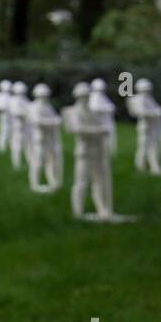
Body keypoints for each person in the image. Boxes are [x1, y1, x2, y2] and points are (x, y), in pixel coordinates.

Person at [62, 82, 113, 220]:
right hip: (84, 152)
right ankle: (78, 212)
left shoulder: (92, 112)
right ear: (78, 97)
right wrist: (99, 131)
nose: (86, 98)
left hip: (98, 150)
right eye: (83, 96)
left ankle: (102, 209)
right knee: (81, 181)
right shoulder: (74, 112)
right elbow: (78, 129)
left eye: (87, 96)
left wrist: (103, 129)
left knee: (99, 181)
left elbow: (102, 125)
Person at [26, 83, 63, 193]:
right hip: (38, 139)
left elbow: (54, 117)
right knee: (37, 161)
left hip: (49, 138)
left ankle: (52, 182)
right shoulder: (33, 107)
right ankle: (34, 184)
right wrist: (54, 122)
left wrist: (56, 120)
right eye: (42, 95)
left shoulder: (48, 107)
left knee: (51, 161)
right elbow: (37, 121)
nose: (44, 97)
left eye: (45, 95)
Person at [127, 78, 161, 176]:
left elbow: (156, 108)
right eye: (145, 89)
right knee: (143, 146)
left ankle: (154, 167)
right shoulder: (138, 99)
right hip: (145, 126)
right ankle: (140, 167)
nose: (147, 91)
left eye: (148, 89)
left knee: (154, 146)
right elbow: (141, 112)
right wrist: (156, 113)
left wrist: (159, 111)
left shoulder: (149, 99)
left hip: (153, 125)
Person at [89, 77, 118, 157]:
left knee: (109, 139)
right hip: (100, 123)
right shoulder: (94, 97)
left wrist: (108, 108)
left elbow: (111, 106)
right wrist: (107, 109)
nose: (100, 91)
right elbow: (95, 109)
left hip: (106, 121)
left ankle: (108, 153)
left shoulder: (102, 97)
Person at [8, 81, 30, 169]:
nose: (21, 94)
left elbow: (30, 109)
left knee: (28, 145)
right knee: (17, 145)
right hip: (17, 127)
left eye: (22, 92)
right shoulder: (12, 101)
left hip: (27, 127)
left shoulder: (26, 100)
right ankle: (16, 163)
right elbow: (16, 112)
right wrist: (27, 113)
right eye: (19, 92)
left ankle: (29, 161)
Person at [0, 79, 13, 153]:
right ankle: (1, 146)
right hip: (4, 115)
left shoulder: (11, 97)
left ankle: (11, 146)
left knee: (12, 131)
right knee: (4, 130)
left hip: (12, 115)